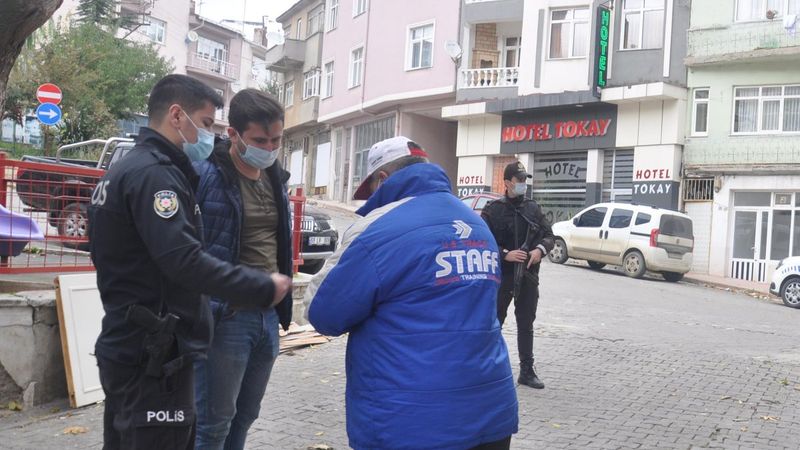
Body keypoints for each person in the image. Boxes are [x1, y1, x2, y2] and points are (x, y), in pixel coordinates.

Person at [88, 74, 291, 450]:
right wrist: (261, 286)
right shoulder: (156, 176)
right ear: (178, 115)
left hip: (142, 339)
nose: (208, 135)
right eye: (207, 123)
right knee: (192, 430)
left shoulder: (133, 168)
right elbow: (185, 259)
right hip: (152, 346)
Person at [305, 136, 518, 450]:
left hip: (411, 422)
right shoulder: (476, 225)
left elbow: (324, 314)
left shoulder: (379, 228)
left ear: (383, 179)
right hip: (490, 414)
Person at [191, 89, 292, 450]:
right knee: (213, 424)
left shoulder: (274, 177)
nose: (269, 147)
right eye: (260, 140)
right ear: (233, 134)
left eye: (276, 139)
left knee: (246, 415)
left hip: (267, 318)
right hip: (226, 316)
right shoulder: (206, 175)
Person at [480, 161, 554, 389]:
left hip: (528, 276)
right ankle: (486, 369)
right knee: (495, 322)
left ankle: (526, 370)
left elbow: (549, 236)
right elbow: (483, 242)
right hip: (502, 277)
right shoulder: (493, 211)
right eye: (519, 180)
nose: (523, 184)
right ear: (507, 183)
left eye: (525, 181)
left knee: (526, 323)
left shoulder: (533, 209)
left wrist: (538, 251)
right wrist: (505, 254)